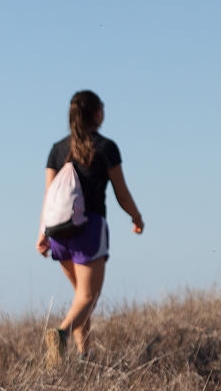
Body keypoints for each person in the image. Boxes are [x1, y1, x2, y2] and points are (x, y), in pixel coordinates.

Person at [37, 90, 145, 363]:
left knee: (80, 298)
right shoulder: (106, 147)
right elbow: (121, 193)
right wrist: (136, 217)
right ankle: (60, 335)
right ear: (97, 113)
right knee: (88, 297)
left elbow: (49, 195)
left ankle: (85, 354)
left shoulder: (57, 149)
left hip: (58, 232)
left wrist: (42, 233)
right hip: (89, 229)